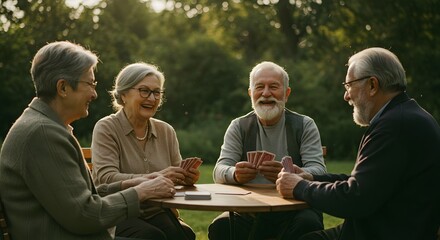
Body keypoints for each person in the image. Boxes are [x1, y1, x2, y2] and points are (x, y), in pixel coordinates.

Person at [0, 41, 176, 240]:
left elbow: (80, 198)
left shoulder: (47, 127)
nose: (94, 94)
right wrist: (139, 193)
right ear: (63, 87)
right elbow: (84, 215)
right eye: (90, 84)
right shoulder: (43, 134)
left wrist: (134, 184)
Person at [276, 47, 440, 240]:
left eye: (349, 85)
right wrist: (311, 178)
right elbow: (366, 182)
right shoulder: (406, 116)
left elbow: (355, 198)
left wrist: (300, 187)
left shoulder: (394, 126)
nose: (346, 96)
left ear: (372, 85)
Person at [209, 61, 327, 240]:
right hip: (249, 209)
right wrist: (235, 174)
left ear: (286, 94)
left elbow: (319, 171)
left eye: (273, 87)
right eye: (259, 87)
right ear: (251, 94)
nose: (265, 93)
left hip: (295, 208)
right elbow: (219, 170)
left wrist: (291, 174)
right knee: (221, 227)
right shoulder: (238, 126)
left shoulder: (304, 125)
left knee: (308, 225)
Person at [91, 62, 198, 240]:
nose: (152, 98)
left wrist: (186, 178)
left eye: (157, 92)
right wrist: (155, 177)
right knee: (151, 236)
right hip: (119, 212)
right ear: (123, 94)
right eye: (144, 91)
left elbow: (175, 180)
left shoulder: (166, 131)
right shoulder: (106, 128)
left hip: (157, 211)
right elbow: (105, 178)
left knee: (184, 235)